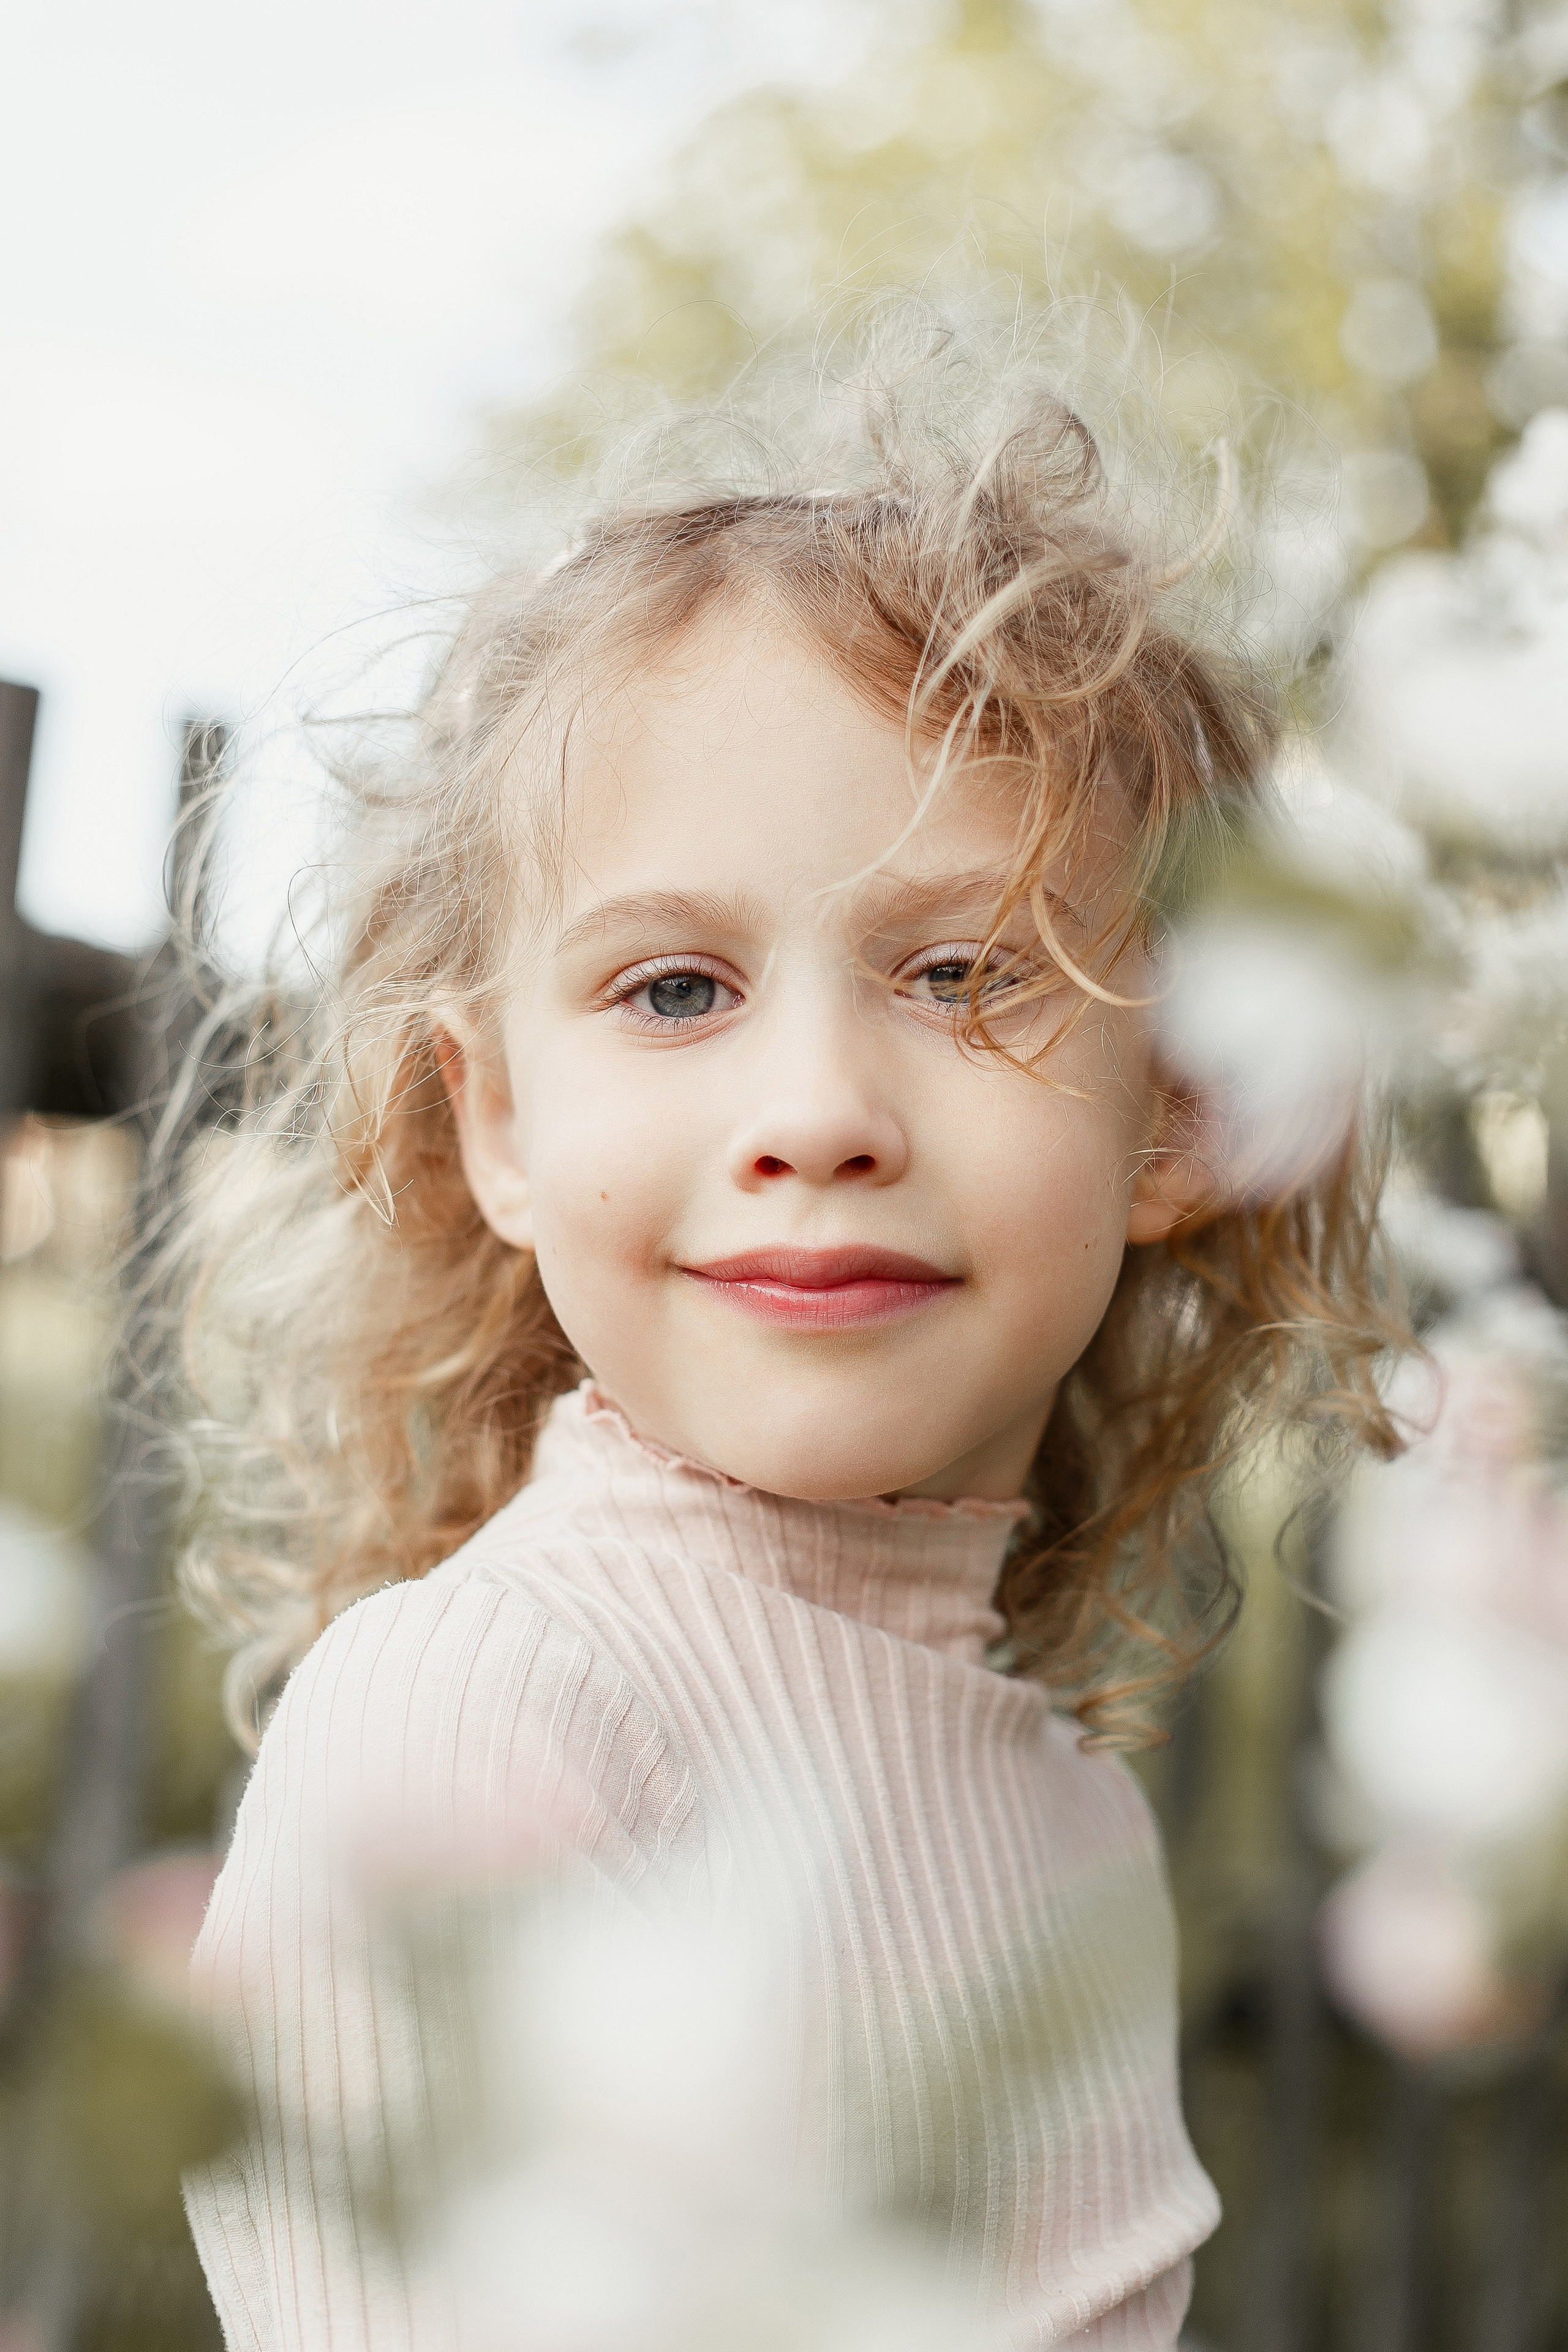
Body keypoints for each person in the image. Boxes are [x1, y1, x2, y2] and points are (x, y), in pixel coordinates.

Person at [170, 317, 1400, 2348]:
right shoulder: (487, 1729)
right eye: (674, 991)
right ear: (494, 1123)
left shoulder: (1066, 1800)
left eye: (960, 973)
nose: (819, 1112)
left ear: (1179, 1111)